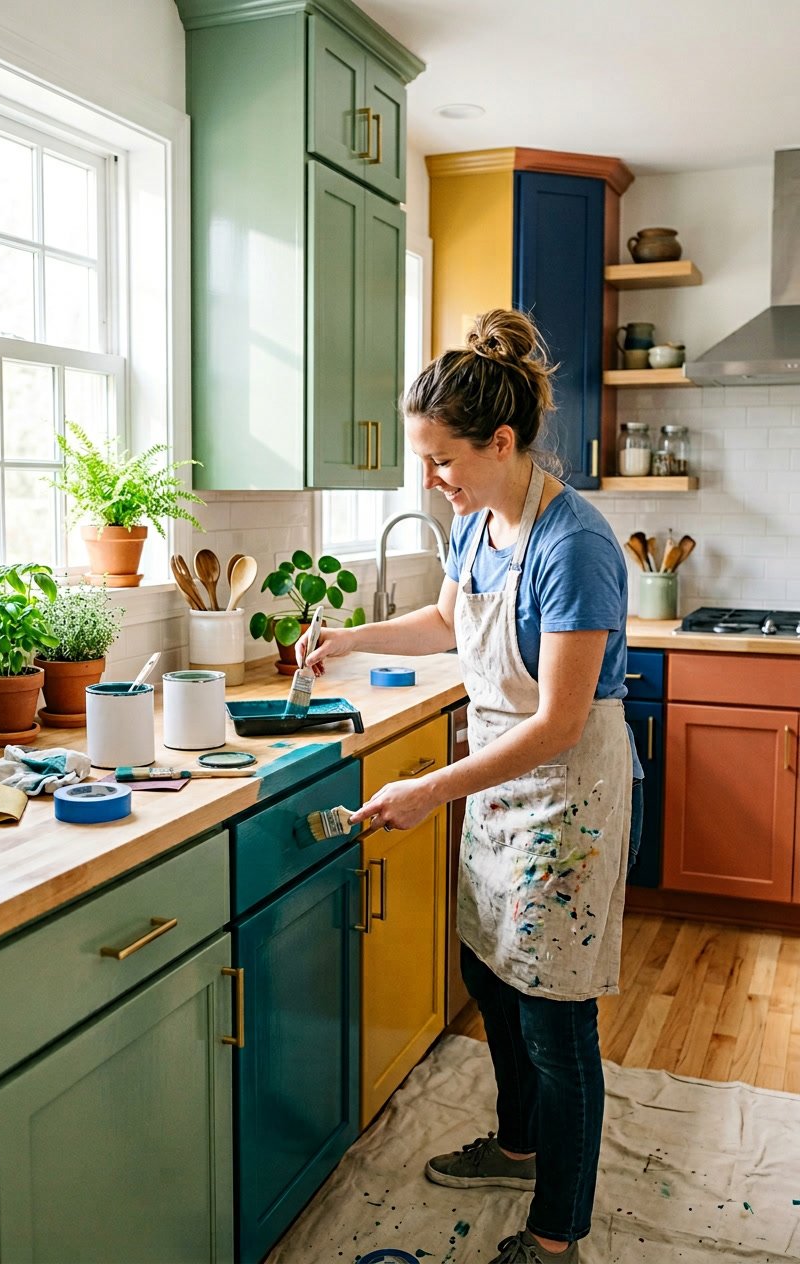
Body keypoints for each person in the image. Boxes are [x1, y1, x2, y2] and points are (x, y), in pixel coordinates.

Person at [297, 308, 640, 1264]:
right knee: (488, 973)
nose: (433, 481)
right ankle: (520, 1147)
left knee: (555, 1015)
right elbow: (449, 623)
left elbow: (561, 723)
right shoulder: (483, 524)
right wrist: (350, 636)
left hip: (565, 795)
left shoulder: (575, 546)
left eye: (443, 461)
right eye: (423, 462)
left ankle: (557, 1236)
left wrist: (433, 790)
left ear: (501, 441)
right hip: (499, 782)